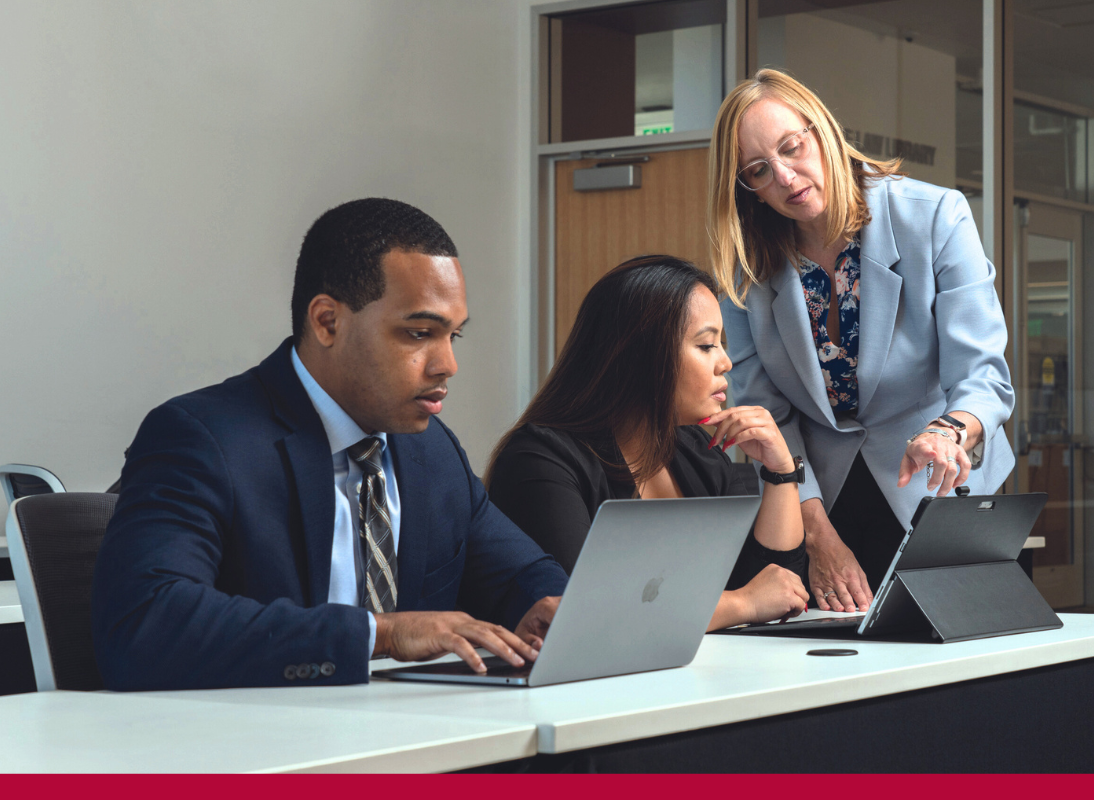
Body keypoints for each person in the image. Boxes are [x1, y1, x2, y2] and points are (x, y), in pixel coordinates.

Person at [91, 198, 567, 690]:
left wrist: (548, 606)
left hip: (417, 739)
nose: (447, 364)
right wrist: (378, 635)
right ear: (327, 322)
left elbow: (522, 573)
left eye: (454, 337)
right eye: (420, 333)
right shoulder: (201, 437)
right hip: (259, 747)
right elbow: (146, 623)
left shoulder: (431, 450)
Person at [708, 69, 1015, 614]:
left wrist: (949, 430)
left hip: (937, 485)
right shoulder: (746, 266)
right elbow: (764, 412)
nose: (784, 176)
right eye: (759, 170)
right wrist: (818, 534)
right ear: (746, 188)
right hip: (818, 501)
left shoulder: (934, 215)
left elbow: (983, 375)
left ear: (820, 128)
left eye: (791, 147)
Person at [486, 255, 809, 631]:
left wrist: (781, 470)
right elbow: (579, 611)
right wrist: (742, 604)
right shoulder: (540, 460)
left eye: (722, 344)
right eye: (707, 346)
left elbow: (779, 588)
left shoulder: (695, 450)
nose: (726, 362)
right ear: (641, 354)